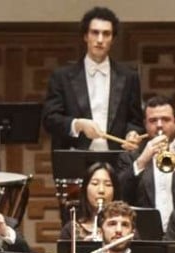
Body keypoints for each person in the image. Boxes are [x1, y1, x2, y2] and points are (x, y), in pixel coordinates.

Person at [41, 6, 143, 153]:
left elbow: (135, 121)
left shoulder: (129, 76)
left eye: (106, 34)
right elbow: (49, 120)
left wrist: (132, 134)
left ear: (112, 39)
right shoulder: (61, 77)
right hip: (74, 156)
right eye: (95, 33)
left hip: (117, 159)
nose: (100, 40)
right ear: (85, 36)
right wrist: (78, 124)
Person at [115, 94, 175, 225]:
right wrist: (141, 161)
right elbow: (118, 195)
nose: (159, 125)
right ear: (145, 124)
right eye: (153, 120)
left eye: (165, 119)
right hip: (143, 234)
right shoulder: (129, 158)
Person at [60, 161, 119, 240]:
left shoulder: (124, 229)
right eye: (95, 183)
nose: (101, 190)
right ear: (85, 189)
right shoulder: (70, 230)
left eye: (108, 184)